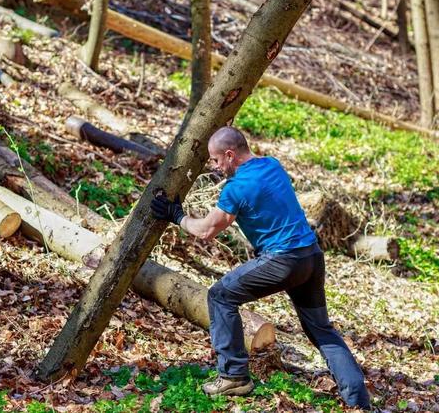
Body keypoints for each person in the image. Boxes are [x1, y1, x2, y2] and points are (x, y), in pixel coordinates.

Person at [151, 126, 371, 409]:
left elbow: (207, 230)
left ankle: (233, 376)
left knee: (220, 296)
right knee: (321, 329)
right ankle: (358, 400)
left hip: (283, 260)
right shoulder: (272, 165)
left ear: (230, 155)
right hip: (311, 258)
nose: (216, 167)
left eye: (217, 160)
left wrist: (176, 215)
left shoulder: (237, 188)